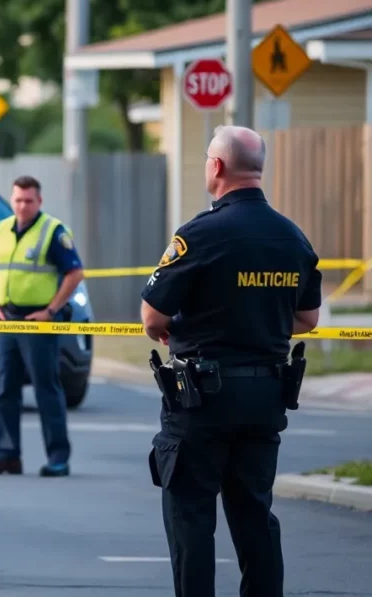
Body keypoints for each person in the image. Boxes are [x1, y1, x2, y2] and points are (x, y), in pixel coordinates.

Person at [140, 125, 322, 597]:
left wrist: (187, 326)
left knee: (191, 519)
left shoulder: (199, 234)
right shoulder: (292, 236)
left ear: (217, 166)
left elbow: (152, 316)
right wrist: (258, 321)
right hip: (265, 397)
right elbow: (308, 318)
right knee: (254, 516)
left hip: (202, 400)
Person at [0, 176, 84, 478]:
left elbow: (75, 273)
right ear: (11, 200)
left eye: (28, 201)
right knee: (5, 390)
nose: (22, 206)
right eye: (18, 200)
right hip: (7, 320)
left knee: (46, 389)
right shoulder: (2, 228)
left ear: (39, 201)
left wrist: (50, 311)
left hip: (38, 322)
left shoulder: (53, 231)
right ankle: (8, 455)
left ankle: (58, 458)